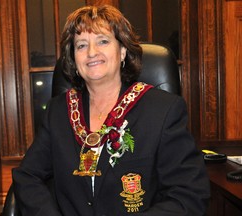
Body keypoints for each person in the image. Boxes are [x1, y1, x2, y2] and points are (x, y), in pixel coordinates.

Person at [12, 5, 210, 216]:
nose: (91, 53)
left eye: (103, 41)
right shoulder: (58, 111)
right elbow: (27, 176)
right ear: (74, 58)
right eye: (81, 45)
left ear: (123, 51)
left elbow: (189, 193)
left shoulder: (163, 110)